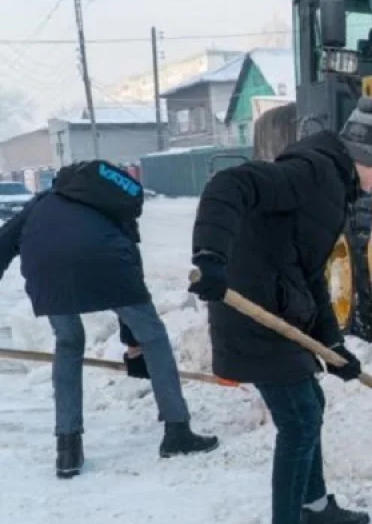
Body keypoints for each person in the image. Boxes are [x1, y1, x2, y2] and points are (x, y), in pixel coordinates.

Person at [188, 96, 372, 524]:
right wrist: (210, 256)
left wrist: (333, 345)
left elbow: (310, 275)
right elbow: (229, 183)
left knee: (311, 405)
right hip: (253, 313)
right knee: (299, 421)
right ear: (369, 162)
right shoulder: (311, 174)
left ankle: (315, 506)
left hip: (279, 305)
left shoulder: (332, 186)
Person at [0, 161, 219, 479]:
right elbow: (131, 265)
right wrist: (134, 340)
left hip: (46, 273)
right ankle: (177, 431)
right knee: (154, 337)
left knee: (68, 342)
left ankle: (68, 449)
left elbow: (4, 242)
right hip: (109, 266)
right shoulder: (113, 208)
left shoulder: (43, 201)